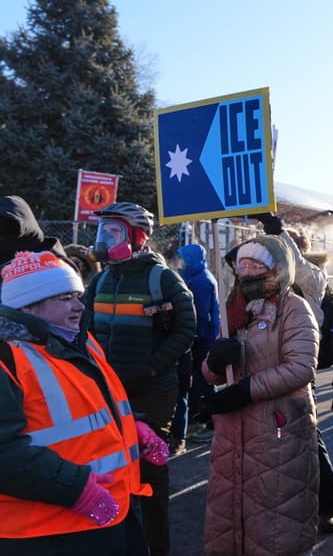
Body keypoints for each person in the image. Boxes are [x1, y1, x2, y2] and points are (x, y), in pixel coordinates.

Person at [0, 251, 168, 555]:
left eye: (77, 296)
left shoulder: (79, 341)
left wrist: (133, 426)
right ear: (27, 305)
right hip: (47, 535)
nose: (79, 306)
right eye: (65, 298)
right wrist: (76, 489)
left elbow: (93, 407)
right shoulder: (7, 358)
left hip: (111, 512)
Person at [81, 202, 196, 556]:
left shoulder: (161, 279)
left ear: (138, 237)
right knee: (112, 471)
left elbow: (187, 328)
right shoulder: (100, 280)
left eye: (113, 232)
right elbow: (81, 329)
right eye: (103, 232)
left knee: (150, 474)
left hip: (152, 392)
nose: (104, 240)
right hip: (108, 394)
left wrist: (153, 365)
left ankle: (156, 548)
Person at [199, 235, 320, 555]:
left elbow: (301, 367)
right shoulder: (233, 308)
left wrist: (246, 391)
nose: (247, 271)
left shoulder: (294, 307)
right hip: (232, 433)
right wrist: (214, 362)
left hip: (277, 431)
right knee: (233, 518)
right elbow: (210, 373)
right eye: (242, 265)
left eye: (255, 264)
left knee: (276, 522)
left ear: (275, 268)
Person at [171, 244, 220, 454]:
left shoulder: (201, 281)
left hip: (202, 339)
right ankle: (198, 420)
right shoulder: (195, 275)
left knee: (204, 381)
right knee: (197, 382)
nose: (179, 262)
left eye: (183, 258)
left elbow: (201, 315)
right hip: (200, 337)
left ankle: (211, 425)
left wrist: (194, 336)